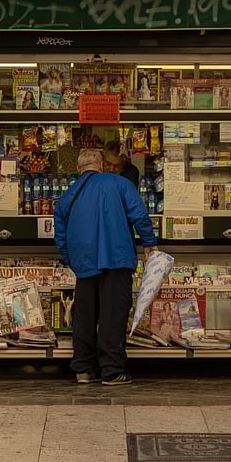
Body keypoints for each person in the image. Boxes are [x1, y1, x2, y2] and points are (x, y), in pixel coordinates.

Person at [54, 149, 158, 385]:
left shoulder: (68, 194)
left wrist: (71, 259)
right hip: (116, 258)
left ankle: (83, 368)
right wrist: (149, 243)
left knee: (85, 315)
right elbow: (139, 214)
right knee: (113, 314)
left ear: (79, 169)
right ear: (100, 164)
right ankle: (111, 371)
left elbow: (60, 235)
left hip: (85, 263)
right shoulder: (119, 184)